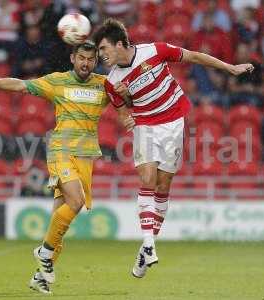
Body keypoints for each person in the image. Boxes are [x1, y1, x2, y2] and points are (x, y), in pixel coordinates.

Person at [92, 18, 254, 278]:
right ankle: (148, 244)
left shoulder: (154, 51)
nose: (102, 55)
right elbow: (123, 113)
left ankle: (146, 249)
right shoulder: (111, 81)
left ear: (120, 44)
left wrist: (230, 68)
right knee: (147, 180)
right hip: (145, 126)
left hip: (173, 123)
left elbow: (194, 56)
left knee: (163, 186)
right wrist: (124, 102)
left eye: (104, 48)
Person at [0, 41, 110, 295]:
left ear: (95, 62)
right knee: (76, 202)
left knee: (58, 228)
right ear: (72, 58)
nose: (85, 63)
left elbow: (127, 96)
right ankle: (43, 253)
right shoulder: (57, 82)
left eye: (90, 59)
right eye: (81, 58)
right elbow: (20, 85)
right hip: (62, 150)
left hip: (86, 156)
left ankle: (40, 277)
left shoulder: (103, 85)